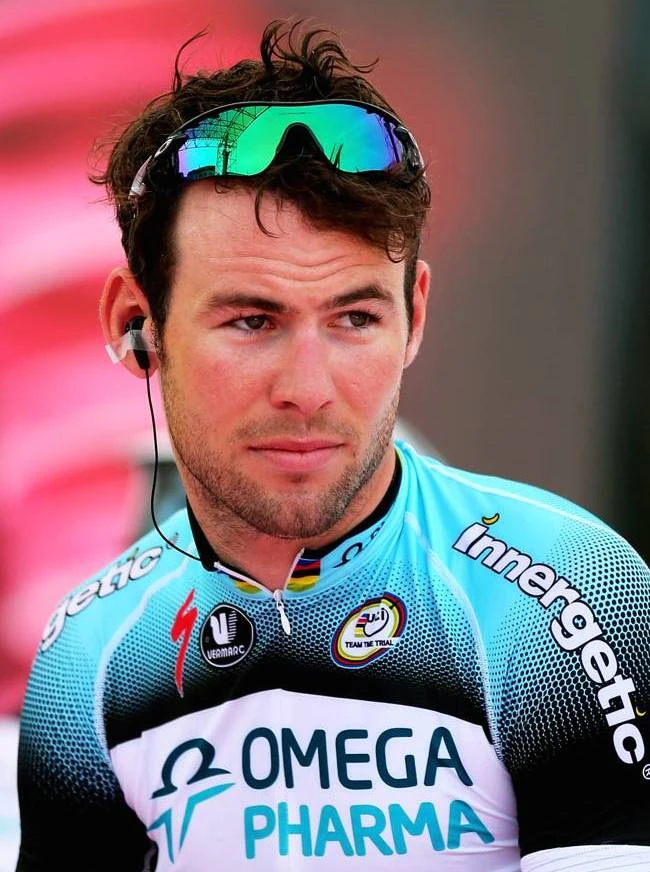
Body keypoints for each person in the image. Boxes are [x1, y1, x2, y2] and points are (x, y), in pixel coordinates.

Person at [14, 18, 650, 872]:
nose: (308, 388)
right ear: (137, 323)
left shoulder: (568, 596)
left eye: (355, 318)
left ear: (414, 316)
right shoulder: (87, 657)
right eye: (252, 321)